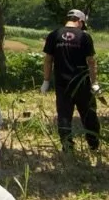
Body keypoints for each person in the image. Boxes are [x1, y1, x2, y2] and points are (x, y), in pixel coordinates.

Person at [42, 9, 100, 153]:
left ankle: (67, 147)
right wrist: (94, 83)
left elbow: (48, 60)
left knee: (64, 116)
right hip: (82, 84)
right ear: (80, 21)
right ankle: (94, 145)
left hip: (62, 85)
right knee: (89, 115)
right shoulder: (84, 37)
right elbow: (91, 62)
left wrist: (46, 81)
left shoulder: (54, 35)